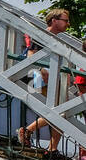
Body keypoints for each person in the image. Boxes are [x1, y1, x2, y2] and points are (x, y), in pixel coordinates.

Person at [18, 8, 72, 152]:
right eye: (65, 20)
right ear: (54, 21)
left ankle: (52, 148)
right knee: (60, 113)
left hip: (54, 79)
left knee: (62, 113)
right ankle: (28, 130)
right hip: (42, 79)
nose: (68, 24)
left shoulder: (57, 38)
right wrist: (42, 71)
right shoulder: (42, 36)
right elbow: (31, 55)